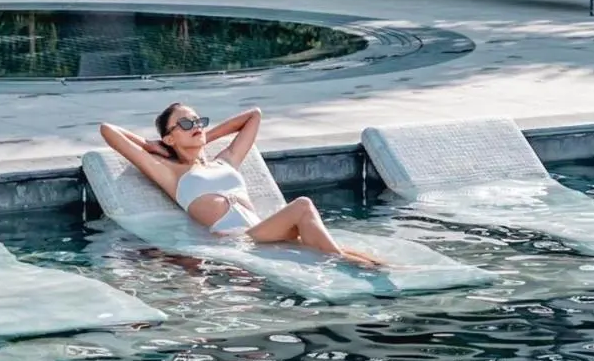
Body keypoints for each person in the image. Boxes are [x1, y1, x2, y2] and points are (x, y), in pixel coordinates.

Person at [98, 104, 383, 267]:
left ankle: (383, 268)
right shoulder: (170, 173)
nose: (195, 126)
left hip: (263, 228)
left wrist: (203, 138)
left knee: (348, 251)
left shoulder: (224, 162)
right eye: (184, 124)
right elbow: (108, 131)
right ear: (169, 138)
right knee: (303, 206)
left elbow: (254, 116)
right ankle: (339, 266)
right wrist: (152, 146)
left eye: (198, 121)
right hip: (241, 239)